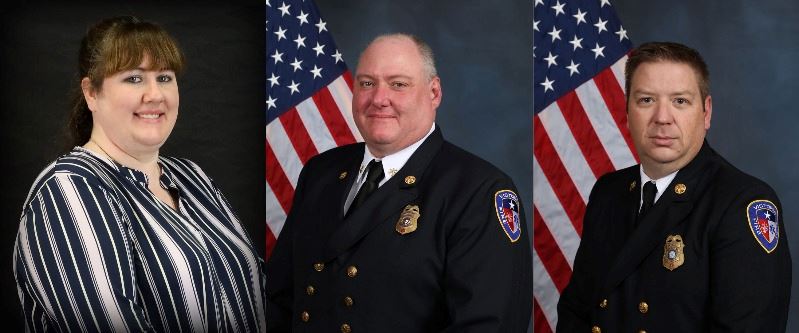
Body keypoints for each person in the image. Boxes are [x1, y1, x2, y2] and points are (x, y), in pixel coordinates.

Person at [12, 16, 266, 332]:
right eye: (134, 78)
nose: (155, 94)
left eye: (164, 77)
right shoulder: (68, 191)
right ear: (91, 93)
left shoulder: (193, 178)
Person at [265, 33, 532, 332]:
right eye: (367, 83)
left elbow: (487, 327)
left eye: (398, 84)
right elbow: (280, 299)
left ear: (434, 93)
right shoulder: (320, 173)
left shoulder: (480, 191)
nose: (379, 99)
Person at [556, 42, 792, 332]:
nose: (662, 118)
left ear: (706, 113)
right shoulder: (609, 192)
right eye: (646, 100)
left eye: (680, 101)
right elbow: (575, 312)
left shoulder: (742, 204)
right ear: (627, 111)